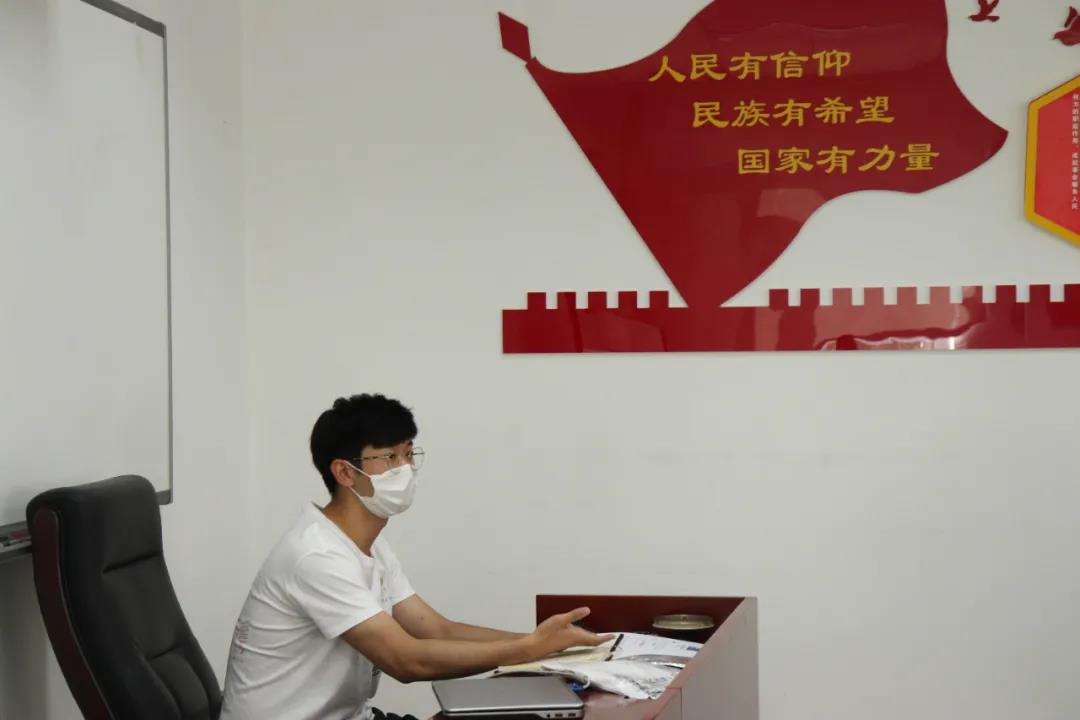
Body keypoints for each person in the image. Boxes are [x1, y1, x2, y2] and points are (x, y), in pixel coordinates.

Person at [220, 394, 610, 720]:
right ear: (345, 472)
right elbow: (406, 661)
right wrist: (528, 650)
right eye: (389, 458)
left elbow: (437, 630)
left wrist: (548, 645)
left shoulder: (369, 545)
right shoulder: (316, 556)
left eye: (409, 454)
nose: (405, 469)